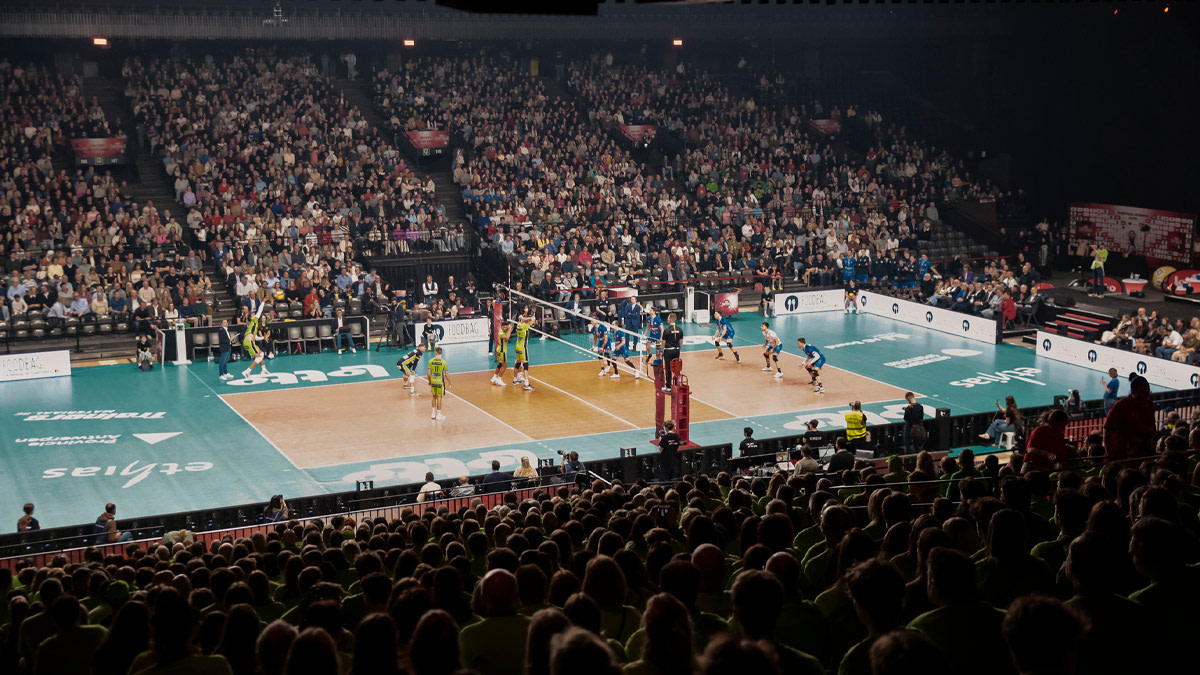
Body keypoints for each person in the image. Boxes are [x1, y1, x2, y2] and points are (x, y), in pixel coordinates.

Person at [1103, 375, 1155, 462]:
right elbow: (1107, 431)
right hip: (1122, 456)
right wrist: (1111, 457)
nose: (1146, 396)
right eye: (1142, 393)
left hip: (1143, 455)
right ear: (1133, 391)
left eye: (1147, 392)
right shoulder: (1120, 406)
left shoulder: (1149, 405)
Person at [513, 308, 535, 390]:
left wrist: (522, 318)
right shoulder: (525, 326)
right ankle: (526, 383)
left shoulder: (519, 324)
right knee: (525, 365)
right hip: (523, 347)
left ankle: (515, 380)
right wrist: (526, 318)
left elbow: (522, 319)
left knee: (518, 363)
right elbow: (533, 319)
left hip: (517, 346)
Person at [240, 315, 269, 379]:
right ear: (251, 318)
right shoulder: (252, 322)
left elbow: (256, 338)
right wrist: (262, 307)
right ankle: (247, 371)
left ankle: (264, 370)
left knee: (261, 354)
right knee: (258, 358)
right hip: (249, 342)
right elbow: (259, 312)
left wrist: (264, 337)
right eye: (253, 314)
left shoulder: (254, 326)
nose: (255, 315)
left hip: (250, 342)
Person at [662, 313, 683, 392]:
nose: (667, 319)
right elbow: (681, 342)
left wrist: (661, 350)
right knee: (676, 368)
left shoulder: (666, 331)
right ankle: (678, 384)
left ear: (670, 319)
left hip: (668, 351)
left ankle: (668, 386)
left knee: (668, 368)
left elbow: (663, 342)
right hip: (676, 350)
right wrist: (678, 349)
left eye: (668, 318)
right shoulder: (680, 330)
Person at [428, 346, 450, 421]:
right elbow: (446, 374)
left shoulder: (431, 361)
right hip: (440, 381)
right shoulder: (444, 362)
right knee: (439, 397)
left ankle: (433, 413)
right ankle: (439, 414)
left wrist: (429, 381)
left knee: (434, 396)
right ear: (441, 352)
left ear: (436, 352)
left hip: (433, 380)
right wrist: (449, 382)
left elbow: (428, 373)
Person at [492, 320, 511, 386]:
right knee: (504, 366)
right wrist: (509, 329)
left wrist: (509, 328)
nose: (505, 328)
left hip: (499, 350)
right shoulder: (501, 333)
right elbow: (507, 338)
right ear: (502, 326)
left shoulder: (503, 331)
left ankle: (495, 376)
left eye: (506, 327)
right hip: (502, 351)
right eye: (504, 327)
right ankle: (499, 379)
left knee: (500, 364)